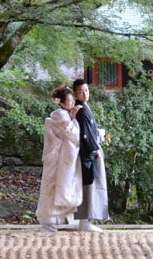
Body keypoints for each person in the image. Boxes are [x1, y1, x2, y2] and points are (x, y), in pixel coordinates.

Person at [35, 85, 83, 232]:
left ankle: (54, 221)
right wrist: (75, 119)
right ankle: (48, 221)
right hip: (57, 158)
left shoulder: (64, 114)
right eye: (69, 101)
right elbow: (73, 135)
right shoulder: (60, 115)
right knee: (52, 188)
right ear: (61, 103)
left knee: (57, 188)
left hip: (59, 158)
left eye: (72, 100)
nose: (72, 103)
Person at [72, 78, 109, 232]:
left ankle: (86, 220)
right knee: (87, 187)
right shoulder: (80, 110)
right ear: (75, 93)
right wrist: (94, 150)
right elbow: (85, 134)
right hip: (87, 154)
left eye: (86, 90)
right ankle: (84, 221)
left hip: (89, 153)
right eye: (80, 91)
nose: (84, 93)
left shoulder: (84, 108)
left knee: (91, 187)